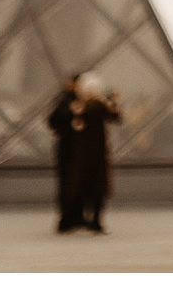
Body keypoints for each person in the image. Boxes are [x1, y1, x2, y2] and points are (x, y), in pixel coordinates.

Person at [68, 76, 122, 233]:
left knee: (89, 189)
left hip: (86, 155)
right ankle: (94, 221)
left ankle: (91, 219)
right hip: (94, 154)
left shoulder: (83, 107)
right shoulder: (93, 107)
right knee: (96, 189)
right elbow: (116, 117)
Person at [46, 75, 83, 233]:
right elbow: (53, 121)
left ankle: (75, 216)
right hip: (69, 148)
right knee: (68, 183)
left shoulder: (80, 100)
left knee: (75, 183)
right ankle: (67, 218)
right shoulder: (65, 101)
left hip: (75, 148)